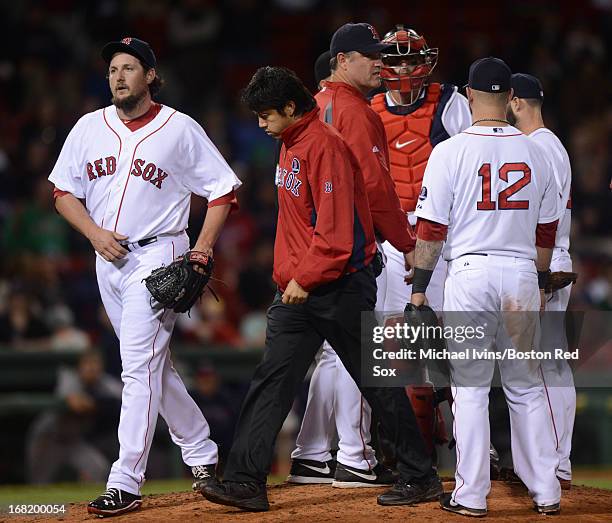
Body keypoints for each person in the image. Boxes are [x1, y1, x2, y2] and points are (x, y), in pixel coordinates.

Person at [198, 66, 440, 512]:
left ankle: (420, 474)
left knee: (376, 381)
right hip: (299, 287)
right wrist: (294, 279)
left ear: (291, 108)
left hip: (339, 284)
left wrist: (303, 279)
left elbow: (336, 237)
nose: (260, 124)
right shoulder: (290, 141)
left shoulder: (325, 146)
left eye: (266, 114)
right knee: (272, 379)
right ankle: (245, 481)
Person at [48, 37, 241, 517]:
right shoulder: (89, 127)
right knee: (154, 366)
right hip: (106, 259)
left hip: (159, 255)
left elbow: (223, 191)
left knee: (137, 368)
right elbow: (61, 191)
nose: (118, 75)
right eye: (113, 67)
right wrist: (92, 233)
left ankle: (126, 480)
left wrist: (202, 247)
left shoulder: (179, 128)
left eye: (129, 67)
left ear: (150, 75)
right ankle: (202, 454)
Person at [289, 25, 472, 486]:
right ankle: (357, 453)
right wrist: (404, 243)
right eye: (391, 58)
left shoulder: (447, 101)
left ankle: (324, 452)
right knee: (370, 350)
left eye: (411, 59)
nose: (402, 68)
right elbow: (373, 186)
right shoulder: (359, 106)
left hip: (431, 236)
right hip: (384, 238)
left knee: (368, 349)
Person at [411, 57, 563, 516]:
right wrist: (537, 280)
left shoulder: (450, 151)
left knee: (471, 389)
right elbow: (546, 230)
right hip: (519, 272)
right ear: (509, 98)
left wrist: (419, 289)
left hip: (470, 274)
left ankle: (471, 496)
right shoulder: (537, 150)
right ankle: (547, 492)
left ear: (471, 96)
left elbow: (432, 229)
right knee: (526, 387)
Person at [507, 73, 575, 490]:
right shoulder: (554, 144)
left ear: (515, 102)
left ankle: (551, 462)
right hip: (549, 258)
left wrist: (540, 274)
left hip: (542, 263)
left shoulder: (535, 146)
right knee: (551, 364)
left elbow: (540, 219)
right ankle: (555, 462)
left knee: (541, 368)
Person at [26, 350, 122, 484]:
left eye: (95, 363)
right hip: (49, 439)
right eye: (87, 363)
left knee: (98, 469)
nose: (92, 368)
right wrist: (97, 403)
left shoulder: (104, 383)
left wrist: (95, 403)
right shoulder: (69, 378)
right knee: (39, 483)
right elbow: (76, 403)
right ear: (79, 366)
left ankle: (87, 504)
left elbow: (123, 398)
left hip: (74, 442)